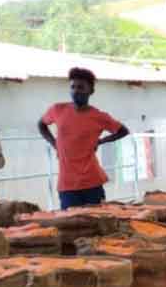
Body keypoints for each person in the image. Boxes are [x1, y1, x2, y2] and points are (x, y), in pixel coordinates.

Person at [38, 67, 129, 210]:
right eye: (72, 87)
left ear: (91, 91)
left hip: (92, 182)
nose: (75, 91)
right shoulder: (57, 109)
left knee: (98, 224)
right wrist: (53, 142)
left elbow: (123, 131)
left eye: (81, 87)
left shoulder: (99, 116)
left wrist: (101, 141)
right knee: (71, 227)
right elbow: (41, 125)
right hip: (67, 184)